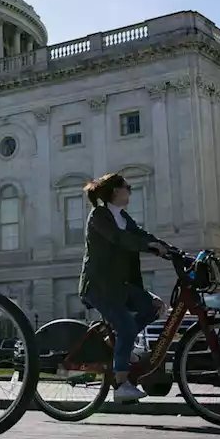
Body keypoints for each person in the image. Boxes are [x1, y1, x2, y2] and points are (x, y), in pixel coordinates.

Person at [78, 172, 174, 403]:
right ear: (115, 191)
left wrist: (169, 249)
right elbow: (120, 239)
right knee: (128, 327)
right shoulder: (99, 216)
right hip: (99, 286)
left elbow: (141, 235)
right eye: (127, 187)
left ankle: (123, 340)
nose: (129, 191)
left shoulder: (123, 217)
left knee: (155, 307)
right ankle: (121, 384)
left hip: (121, 285)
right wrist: (147, 245)